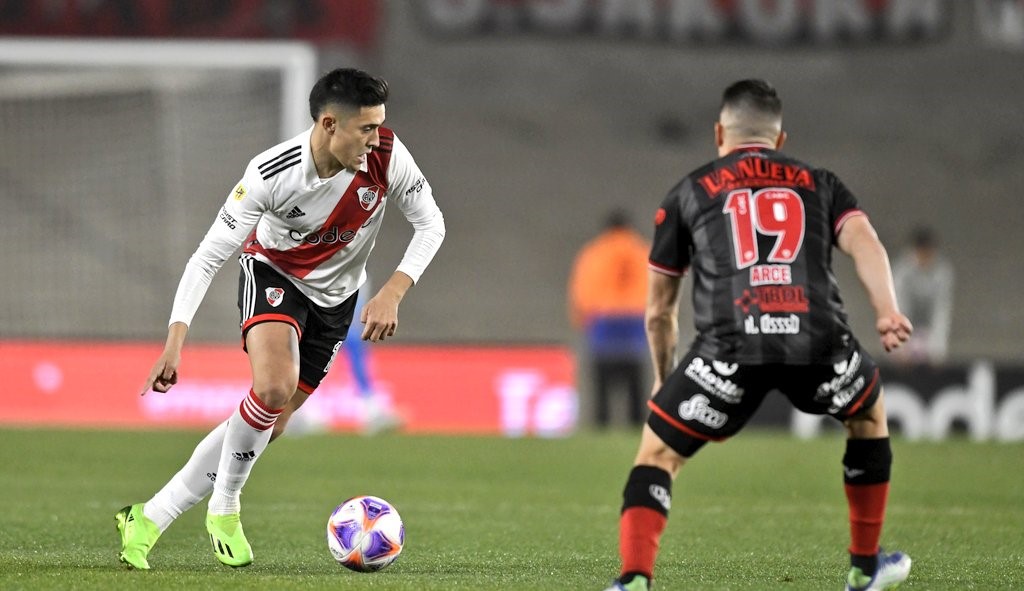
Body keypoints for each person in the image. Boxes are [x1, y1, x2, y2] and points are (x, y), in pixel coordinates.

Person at [115, 67, 445, 570]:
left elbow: (431, 223)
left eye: (380, 126)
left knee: (268, 423)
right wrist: (174, 341)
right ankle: (224, 508)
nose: (375, 139)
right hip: (275, 276)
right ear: (330, 124)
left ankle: (150, 517)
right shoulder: (271, 174)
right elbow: (206, 257)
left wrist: (393, 292)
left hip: (338, 301)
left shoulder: (387, 156)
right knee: (272, 389)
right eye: (366, 129)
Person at [603, 80, 913, 591]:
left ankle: (634, 579)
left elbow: (660, 310)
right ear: (780, 138)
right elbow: (865, 241)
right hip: (816, 339)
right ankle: (864, 567)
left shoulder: (689, 191)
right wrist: (886, 309)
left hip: (729, 347)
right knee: (867, 415)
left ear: (719, 132)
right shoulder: (819, 182)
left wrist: (665, 379)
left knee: (658, 455)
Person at [568, 209, 650, 428]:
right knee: (635, 376)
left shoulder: (594, 252)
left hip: (603, 317)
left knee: (602, 377)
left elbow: (582, 287)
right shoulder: (641, 250)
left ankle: (602, 423)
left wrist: (581, 318)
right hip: (635, 316)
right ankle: (636, 424)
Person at [892, 226, 953, 365]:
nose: (925, 258)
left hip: (928, 330)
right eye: (922, 253)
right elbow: (899, 307)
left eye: (929, 253)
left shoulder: (943, 273)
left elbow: (941, 311)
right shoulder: (901, 272)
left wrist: (938, 349)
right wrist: (900, 346)